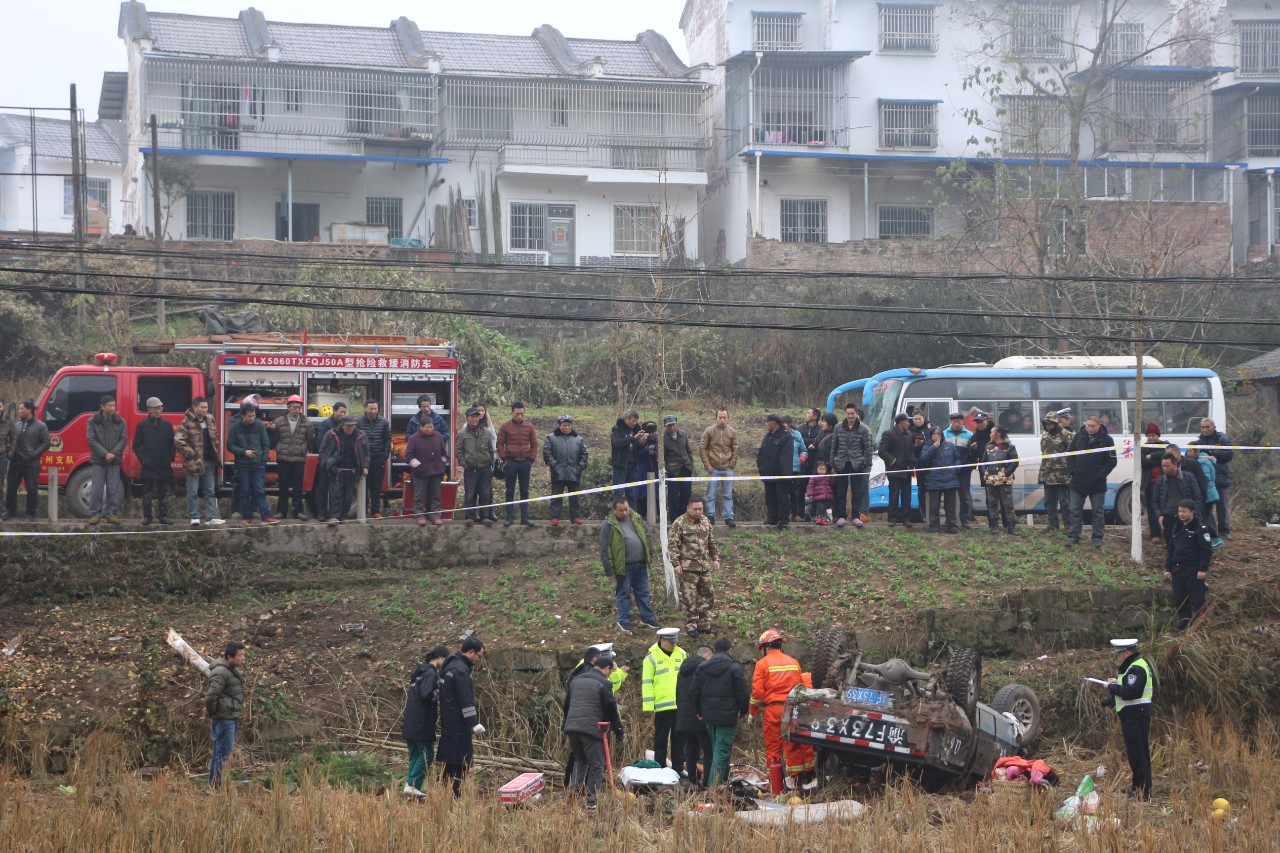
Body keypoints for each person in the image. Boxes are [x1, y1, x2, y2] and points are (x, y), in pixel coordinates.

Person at [750, 630, 815, 787]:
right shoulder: (793, 662)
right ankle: (799, 779)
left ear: (766, 647)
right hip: (792, 709)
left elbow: (757, 693)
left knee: (773, 746)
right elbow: (801, 687)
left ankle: (777, 782)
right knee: (793, 744)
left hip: (773, 710)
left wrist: (752, 712)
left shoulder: (762, 664)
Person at [564, 652, 625, 810]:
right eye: (610, 672)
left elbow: (567, 705)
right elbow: (611, 709)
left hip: (572, 727)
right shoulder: (604, 684)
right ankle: (592, 800)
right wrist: (619, 731)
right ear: (606, 669)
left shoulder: (576, 680)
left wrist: (566, 724)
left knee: (580, 759)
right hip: (592, 728)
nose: (609, 675)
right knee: (597, 765)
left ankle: (574, 794)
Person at [689, 637, 749, 788]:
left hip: (708, 716)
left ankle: (721, 782)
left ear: (715, 651)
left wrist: (699, 711)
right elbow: (743, 693)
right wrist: (744, 711)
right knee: (721, 751)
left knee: (716, 749)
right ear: (729, 650)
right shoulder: (734, 668)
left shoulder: (702, 667)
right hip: (727, 717)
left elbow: (693, 692)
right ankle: (713, 788)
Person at [1102, 638, 1154, 801]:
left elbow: (1132, 692)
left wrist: (1112, 687)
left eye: (1118, 654)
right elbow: (1130, 687)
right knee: (1135, 754)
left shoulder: (1137, 668)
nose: (1117, 658)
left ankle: (1143, 793)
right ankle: (1137, 788)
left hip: (1136, 715)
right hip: (1133, 715)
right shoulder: (1135, 666)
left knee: (1139, 755)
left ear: (1126, 653)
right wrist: (1117, 682)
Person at [600, 497, 659, 633]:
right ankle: (624, 620)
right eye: (621, 511)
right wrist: (608, 567)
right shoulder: (609, 525)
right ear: (614, 510)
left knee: (643, 592)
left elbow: (646, 535)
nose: (625, 512)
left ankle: (647, 617)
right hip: (624, 566)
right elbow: (605, 547)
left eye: (626, 509)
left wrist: (650, 552)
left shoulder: (636, 518)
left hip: (640, 563)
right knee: (624, 593)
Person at [438, 637, 485, 796]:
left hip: (448, 724)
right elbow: (465, 700)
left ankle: (444, 793)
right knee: (461, 763)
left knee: (448, 763)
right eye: (479, 655)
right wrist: (474, 723)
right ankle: (455, 794)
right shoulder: (461, 670)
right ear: (470, 652)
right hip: (459, 726)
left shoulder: (450, 666)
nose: (479, 659)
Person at [401, 644, 448, 797]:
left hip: (410, 720)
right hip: (422, 722)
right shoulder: (431, 672)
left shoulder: (419, 671)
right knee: (427, 754)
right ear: (440, 657)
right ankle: (413, 785)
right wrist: (441, 691)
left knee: (415, 754)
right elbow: (427, 694)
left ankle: (411, 787)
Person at [669, 497, 720, 636]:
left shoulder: (705, 521)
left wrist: (715, 558)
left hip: (704, 566)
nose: (698, 512)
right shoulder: (679, 523)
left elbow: (711, 542)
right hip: (688, 567)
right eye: (695, 509)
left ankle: (704, 624)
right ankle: (691, 625)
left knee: (707, 595)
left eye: (700, 509)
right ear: (688, 508)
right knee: (689, 598)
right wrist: (676, 564)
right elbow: (673, 545)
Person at [1066, 415, 1117, 548]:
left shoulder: (1107, 440)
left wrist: (1100, 475)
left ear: (1099, 425)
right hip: (1078, 482)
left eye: (1092, 426)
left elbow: (1112, 461)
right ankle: (1074, 536)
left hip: (1097, 484)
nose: (1089, 428)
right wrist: (1072, 471)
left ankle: (1097, 538)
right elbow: (1069, 455)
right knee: (1075, 510)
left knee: (1097, 511)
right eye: (1088, 425)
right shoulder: (1079, 436)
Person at [642, 627, 688, 771]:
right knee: (660, 739)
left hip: (679, 705)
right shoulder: (651, 657)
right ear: (662, 640)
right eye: (670, 642)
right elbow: (647, 682)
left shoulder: (681, 654)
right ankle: (659, 769)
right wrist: (649, 706)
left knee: (679, 740)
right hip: (662, 705)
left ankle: (678, 770)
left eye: (675, 641)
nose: (673, 644)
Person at [175, 397, 224, 527]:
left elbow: (216, 436)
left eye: (206, 407)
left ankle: (211, 517)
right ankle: (194, 516)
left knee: (210, 490)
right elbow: (179, 441)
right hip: (193, 462)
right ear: (195, 407)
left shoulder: (210, 419)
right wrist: (191, 453)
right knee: (193, 490)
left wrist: (215, 447)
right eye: (202, 407)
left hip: (209, 460)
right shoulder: (187, 422)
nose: (205, 410)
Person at [228, 403, 279, 526]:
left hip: (258, 465)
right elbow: (230, 445)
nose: (252, 418)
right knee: (244, 491)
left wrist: (263, 460)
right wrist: (243, 452)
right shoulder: (235, 428)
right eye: (249, 416)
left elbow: (266, 443)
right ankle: (246, 517)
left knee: (260, 490)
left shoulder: (260, 426)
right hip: (242, 465)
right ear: (243, 415)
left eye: (254, 416)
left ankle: (266, 516)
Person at [1164, 500, 1212, 630]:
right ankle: (1183, 623)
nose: (1181, 514)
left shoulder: (1200, 529)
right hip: (1178, 569)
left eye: (1184, 511)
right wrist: (1168, 568)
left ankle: (1200, 626)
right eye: (1180, 511)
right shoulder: (1177, 527)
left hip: (1193, 570)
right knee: (1180, 599)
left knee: (1198, 600)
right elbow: (1171, 549)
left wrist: (1202, 569)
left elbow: (1206, 550)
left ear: (1192, 512)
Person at [204, 641, 246, 789]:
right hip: (224, 718)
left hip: (230, 717)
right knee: (224, 754)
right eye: (240, 655)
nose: (243, 658)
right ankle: (217, 788)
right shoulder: (221, 672)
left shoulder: (231, 670)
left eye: (243, 655)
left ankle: (217, 785)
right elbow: (211, 696)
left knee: (222, 752)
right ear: (230, 657)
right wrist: (214, 713)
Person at [3, 399, 49, 523]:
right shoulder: (16, 425)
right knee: (11, 487)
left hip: (31, 463)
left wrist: (34, 454)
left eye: (22, 409)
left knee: (31, 488)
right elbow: (10, 440)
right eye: (18, 409)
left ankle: (30, 513)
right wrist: (11, 453)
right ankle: (10, 510)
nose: (19, 411)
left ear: (30, 410)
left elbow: (46, 443)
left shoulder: (40, 426)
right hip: (16, 461)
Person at [132, 396, 175, 526]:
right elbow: (136, 445)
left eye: (161, 407)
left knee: (164, 492)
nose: (160, 410)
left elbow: (172, 444)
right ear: (149, 409)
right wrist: (143, 460)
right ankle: (147, 516)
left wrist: (170, 458)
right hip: (148, 464)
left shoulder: (167, 425)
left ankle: (163, 516)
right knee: (147, 492)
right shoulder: (142, 425)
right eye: (157, 408)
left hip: (164, 464)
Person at [674, 645, 713, 788]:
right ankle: (708, 782)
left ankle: (692, 780)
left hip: (683, 716)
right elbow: (703, 692)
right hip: (698, 716)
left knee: (691, 749)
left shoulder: (682, 669)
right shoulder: (703, 668)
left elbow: (677, 691)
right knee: (708, 749)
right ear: (707, 656)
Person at [319, 416, 370, 525]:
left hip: (352, 470)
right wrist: (327, 463)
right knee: (336, 494)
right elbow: (322, 450)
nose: (351, 428)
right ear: (342, 425)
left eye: (353, 425)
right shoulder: (331, 434)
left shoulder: (361, 435)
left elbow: (366, 452)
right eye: (348, 426)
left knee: (348, 497)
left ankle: (342, 517)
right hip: (336, 469)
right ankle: (334, 517)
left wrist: (365, 466)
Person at [85, 394, 126, 524]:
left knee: (113, 488)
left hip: (114, 460)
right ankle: (95, 514)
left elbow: (123, 439)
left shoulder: (120, 421)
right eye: (109, 405)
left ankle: (111, 513)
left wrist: (113, 453)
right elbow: (91, 439)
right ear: (102, 406)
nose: (112, 408)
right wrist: (104, 453)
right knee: (96, 488)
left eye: (114, 405)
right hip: (98, 459)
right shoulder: (93, 421)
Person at [1190, 418, 1234, 540]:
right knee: (1207, 508)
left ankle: (1224, 531)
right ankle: (1212, 531)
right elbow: (1192, 455)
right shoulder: (1198, 441)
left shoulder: (1222, 439)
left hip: (1221, 477)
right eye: (1202, 427)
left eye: (1207, 427)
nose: (1204, 429)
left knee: (1222, 507)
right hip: (1206, 480)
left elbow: (1229, 455)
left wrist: (1210, 453)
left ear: (1213, 427)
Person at [272, 395, 314, 521]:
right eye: (294, 407)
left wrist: (306, 450)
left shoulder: (307, 423)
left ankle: (298, 512)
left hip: (299, 459)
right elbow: (274, 440)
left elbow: (310, 441)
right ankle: (281, 512)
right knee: (283, 487)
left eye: (299, 407)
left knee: (298, 487)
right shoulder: (279, 422)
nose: (297, 410)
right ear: (288, 407)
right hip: (283, 458)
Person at [497, 402, 537, 527]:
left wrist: (531, 459)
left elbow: (534, 444)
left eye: (522, 413)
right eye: (517, 413)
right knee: (510, 491)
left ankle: (525, 517)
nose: (520, 416)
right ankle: (509, 517)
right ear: (512, 412)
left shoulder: (529, 427)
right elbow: (499, 444)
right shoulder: (505, 427)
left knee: (524, 491)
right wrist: (504, 459)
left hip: (525, 462)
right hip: (511, 462)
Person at [543, 414, 588, 525]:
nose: (567, 427)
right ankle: (554, 517)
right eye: (564, 425)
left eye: (568, 425)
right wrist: (555, 465)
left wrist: (580, 466)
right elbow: (547, 453)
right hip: (558, 472)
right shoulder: (551, 438)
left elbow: (584, 454)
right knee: (557, 495)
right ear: (559, 426)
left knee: (575, 496)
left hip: (574, 472)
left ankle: (575, 516)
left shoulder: (578, 439)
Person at [1151, 455, 1205, 547]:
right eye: (1163, 466)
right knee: (1170, 545)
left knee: (1187, 545)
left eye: (1167, 466)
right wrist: (1159, 515)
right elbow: (1154, 501)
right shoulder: (1160, 481)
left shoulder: (1189, 477)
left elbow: (1197, 497)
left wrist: (1195, 514)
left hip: (1186, 516)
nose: (1164, 468)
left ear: (1175, 464)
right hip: (1167, 517)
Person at [405, 416, 448, 526]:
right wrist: (417, 465)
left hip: (436, 471)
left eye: (431, 427)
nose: (430, 429)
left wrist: (443, 463)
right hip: (420, 473)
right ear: (421, 427)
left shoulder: (438, 436)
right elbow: (408, 456)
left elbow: (443, 452)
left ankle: (435, 515)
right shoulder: (413, 439)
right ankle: (419, 515)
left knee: (435, 495)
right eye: (427, 427)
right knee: (419, 495)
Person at [699, 408, 738, 527]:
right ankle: (710, 516)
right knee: (711, 494)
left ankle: (728, 517)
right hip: (713, 469)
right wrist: (707, 465)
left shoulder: (732, 432)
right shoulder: (709, 431)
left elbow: (735, 448)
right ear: (716, 418)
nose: (722, 420)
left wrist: (731, 465)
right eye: (720, 417)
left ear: (728, 418)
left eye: (724, 417)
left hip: (727, 469)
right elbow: (702, 447)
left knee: (728, 495)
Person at [457, 407, 496, 525]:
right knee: (470, 493)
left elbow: (491, 449)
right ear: (467, 418)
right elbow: (459, 451)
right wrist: (464, 464)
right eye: (472, 417)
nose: (475, 419)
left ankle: (485, 516)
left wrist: (490, 461)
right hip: (470, 468)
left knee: (485, 493)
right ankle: (470, 516)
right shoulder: (462, 433)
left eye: (477, 416)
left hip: (485, 468)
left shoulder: (486, 432)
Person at [919, 426, 961, 533]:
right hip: (934, 479)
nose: (936, 436)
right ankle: (934, 526)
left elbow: (957, 458)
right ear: (931, 436)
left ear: (942, 435)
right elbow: (924, 460)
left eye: (938, 434)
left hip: (950, 478)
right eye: (934, 434)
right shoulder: (927, 446)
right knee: (934, 505)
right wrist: (933, 447)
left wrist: (956, 468)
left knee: (950, 505)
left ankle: (952, 525)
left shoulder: (950, 446)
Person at [878, 413, 916, 528]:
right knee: (894, 495)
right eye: (907, 421)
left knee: (906, 495)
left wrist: (913, 462)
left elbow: (911, 451)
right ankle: (892, 518)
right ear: (900, 422)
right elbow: (882, 451)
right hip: (894, 471)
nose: (908, 423)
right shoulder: (889, 434)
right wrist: (893, 461)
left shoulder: (909, 434)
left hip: (907, 470)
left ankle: (906, 518)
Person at [1038, 410, 1074, 531]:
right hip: (1048, 473)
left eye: (1050, 424)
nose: (1048, 426)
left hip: (1062, 475)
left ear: (1056, 423)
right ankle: (1053, 524)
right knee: (1049, 501)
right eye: (1046, 424)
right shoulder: (1045, 435)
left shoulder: (1066, 435)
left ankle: (1068, 525)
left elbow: (1073, 454)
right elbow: (1044, 454)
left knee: (1064, 502)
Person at [312, 401, 347, 521]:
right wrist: (327, 459)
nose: (343, 414)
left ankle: (334, 514)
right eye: (341, 412)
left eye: (344, 412)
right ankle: (321, 513)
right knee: (322, 488)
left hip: (339, 462)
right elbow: (320, 443)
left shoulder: (345, 425)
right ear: (334, 411)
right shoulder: (325, 425)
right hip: (326, 462)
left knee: (336, 490)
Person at [1184, 447, 1225, 549]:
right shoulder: (1200, 460)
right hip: (1207, 494)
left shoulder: (1203, 462)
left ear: (1197, 451)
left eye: (1190, 451)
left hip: (1207, 494)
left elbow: (1204, 478)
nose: (1187, 453)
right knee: (1207, 517)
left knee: (1205, 518)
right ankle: (1211, 538)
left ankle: (1215, 539)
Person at [756, 414, 793, 527]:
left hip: (780, 474)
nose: (766, 424)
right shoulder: (768, 436)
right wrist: (761, 468)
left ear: (774, 423)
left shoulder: (786, 436)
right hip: (768, 473)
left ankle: (783, 519)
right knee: (770, 497)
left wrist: (785, 474)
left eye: (768, 422)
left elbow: (786, 457)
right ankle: (772, 517)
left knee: (782, 497)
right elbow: (762, 452)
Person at [981, 426, 1019, 535]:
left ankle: (1011, 527)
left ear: (997, 434)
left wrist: (1006, 473)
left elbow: (1015, 462)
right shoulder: (988, 446)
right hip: (990, 481)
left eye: (991, 432)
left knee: (1008, 504)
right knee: (992, 503)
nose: (990, 434)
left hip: (1004, 481)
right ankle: (994, 526)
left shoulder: (1010, 447)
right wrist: (985, 472)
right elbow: (983, 461)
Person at [941, 412, 975, 529]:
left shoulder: (969, 435)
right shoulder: (944, 434)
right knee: (948, 496)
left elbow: (972, 454)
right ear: (951, 422)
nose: (956, 424)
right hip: (949, 470)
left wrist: (970, 467)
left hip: (964, 470)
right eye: (954, 421)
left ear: (962, 422)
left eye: (959, 421)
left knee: (964, 495)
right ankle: (949, 519)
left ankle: (965, 520)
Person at [359, 401, 392, 519]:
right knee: (363, 486)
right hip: (363, 460)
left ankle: (375, 511)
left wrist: (385, 455)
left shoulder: (383, 422)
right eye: (370, 409)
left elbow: (388, 440)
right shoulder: (358, 422)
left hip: (378, 459)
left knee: (376, 487)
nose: (373, 411)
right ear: (365, 409)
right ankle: (362, 511)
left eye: (375, 409)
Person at [662, 415, 695, 522]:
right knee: (673, 496)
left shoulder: (683, 434)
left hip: (686, 468)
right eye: (669, 426)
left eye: (673, 425)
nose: (672, 428)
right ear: (665, 426)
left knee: (686, 494)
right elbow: (663, 456)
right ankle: (674, 519)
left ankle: (683, 517)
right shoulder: (663, 438)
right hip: (673, 471)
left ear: (676, 424)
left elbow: (688, 450)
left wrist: (690, 463)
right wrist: (668, 468)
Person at [1140, 424, 1167, 543]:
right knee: (1151, 509)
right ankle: (1155, 533)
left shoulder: (1164, 444)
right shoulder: (1143, 447)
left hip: (1165, 483)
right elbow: (1144, 463)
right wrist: (1157, 460)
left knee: (1166, 508)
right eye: (1149, 435)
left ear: (1158, 435)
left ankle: (1166, 532)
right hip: (1150, 483)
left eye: (1153, 435)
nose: (1151, 437)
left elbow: (1166, 457)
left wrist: (1152, 456)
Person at [610, 409, 645, 499]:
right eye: (633, 421)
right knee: (619, 492)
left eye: (636, 421)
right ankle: (617, 512)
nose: (634, 423)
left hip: (633, 464)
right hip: (620, 464)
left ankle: (633, 512)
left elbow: (635, 447)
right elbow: (618, 442)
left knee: (632, 492)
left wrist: (641, 442)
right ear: (626, 418)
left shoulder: (636, 430)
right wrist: (634, 438)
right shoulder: (617, 429)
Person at [798, 408, 824, 520]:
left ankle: (814, 514)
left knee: (815, 490)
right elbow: (799, 441)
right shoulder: (801, 428)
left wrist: (808, 441)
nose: (806, 414)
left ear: (815, 416)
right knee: (800, 489)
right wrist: (812, 441)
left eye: (808, 413)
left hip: (815, 464)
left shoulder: (820, 430)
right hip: (802, 464)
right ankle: (799, 513)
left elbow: (818, 442)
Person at [780, 415, 806, 522]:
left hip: (794, 468)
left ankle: (795, 515)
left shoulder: (797, 435)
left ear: (789, 424)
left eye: (784, 424)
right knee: (782, 493)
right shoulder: (779, 435)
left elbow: (803, 449)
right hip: (782, 469)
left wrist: (803, 455)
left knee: (794, 493)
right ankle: (783, 514)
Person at [806, 461, 835, 525]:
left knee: (824, 507)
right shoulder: (814, 477)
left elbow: (832, 483)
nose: (822, 471)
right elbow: (810, 486)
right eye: (820, 469)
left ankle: (823, 518)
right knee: (820, 507)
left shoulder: (828, 477)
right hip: (818, 496)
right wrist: (810, 494)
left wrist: (833, 476)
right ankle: (818, 518)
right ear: (817, 469)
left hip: (826, 496)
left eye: (823, 469)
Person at [0, 397, 12, 507]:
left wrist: (9, 454)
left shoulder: (8, 421)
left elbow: (14, 439)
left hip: (2, 457)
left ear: (3, 407)